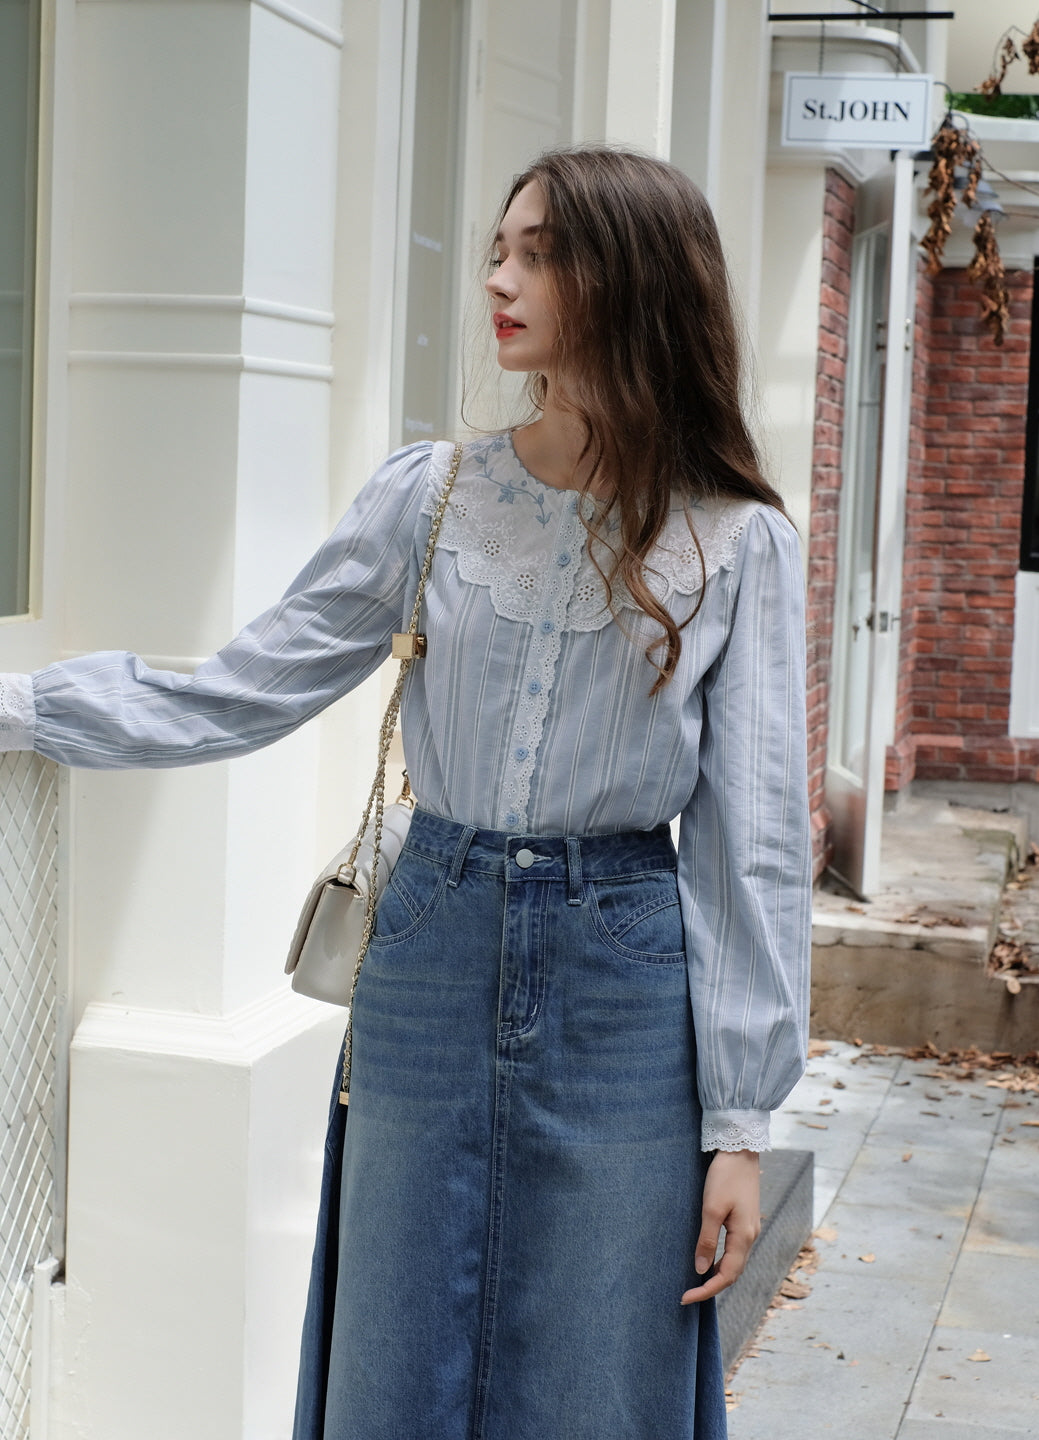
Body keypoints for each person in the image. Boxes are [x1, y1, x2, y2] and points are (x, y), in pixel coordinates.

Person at [0, 146, 811, 1439]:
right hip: (433, 942)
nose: (498, 278)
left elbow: (752, 845)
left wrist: (743, 1122)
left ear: (636, 276)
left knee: (605, 1368)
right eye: (500, 248)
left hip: (626, 970)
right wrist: (31, 709)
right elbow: (245, 687)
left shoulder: (735, 538)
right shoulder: (435, 496)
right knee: (399, 1342)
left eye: (539, 251)